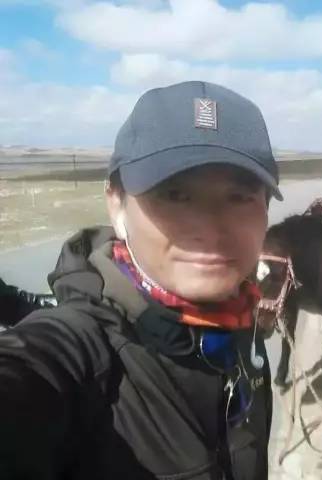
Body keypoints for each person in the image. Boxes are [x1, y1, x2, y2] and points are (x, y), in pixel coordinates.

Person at [0, 81, 282, 480]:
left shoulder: (243, 330)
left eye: (239, 196)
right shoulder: (80, 351)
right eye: (175, 194)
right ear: (116, 204)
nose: (210, 228)